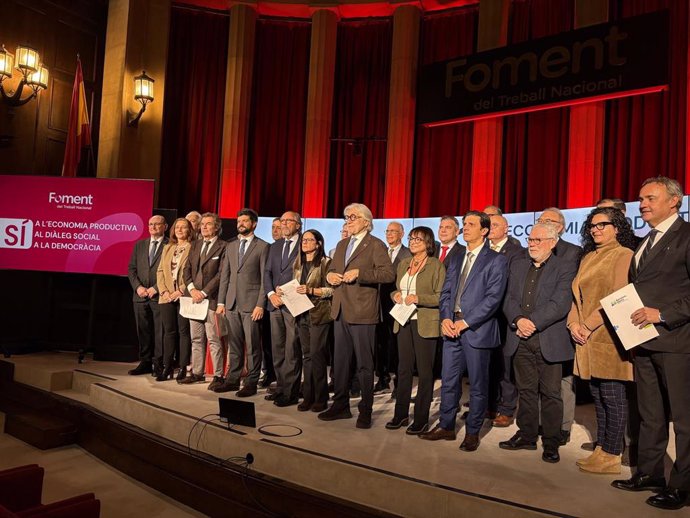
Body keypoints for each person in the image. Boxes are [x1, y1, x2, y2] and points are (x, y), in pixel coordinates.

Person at [612, 177, 690, 510]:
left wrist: (663, 314)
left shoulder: (687, 237)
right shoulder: (645, 240)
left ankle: (683, 486)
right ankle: (650, 473)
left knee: (685, 420)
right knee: (650, 415)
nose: (642, 203)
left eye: (650, 198)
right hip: (642, 342)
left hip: (676, 342)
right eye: (640, 198)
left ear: (675, 201)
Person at [420, 211, 507, 452]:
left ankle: (472, 432)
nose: (465, 228)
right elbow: (446, 292)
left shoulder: (495, 259)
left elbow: (493, 299)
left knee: (478, 385)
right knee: (448, 380)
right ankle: (446, 426)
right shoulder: (457, 258)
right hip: (451, 328)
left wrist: (465, 322)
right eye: (465, 224)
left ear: (484, 231)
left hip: (476, 330)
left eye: (471, 224)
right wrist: (446, 318)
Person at [499, 223, 577, 463]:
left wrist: (531, 322)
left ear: (552, 243)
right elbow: (508, 298)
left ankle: (551, 442)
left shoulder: (564, 266)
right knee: (526, 391)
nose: (531, 244)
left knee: (551, 393)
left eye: (537, 240)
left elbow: (560, 303)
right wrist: (518, 320)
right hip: (519, 337)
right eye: (530, 240)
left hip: (548, 340)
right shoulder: (519, 264)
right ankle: (527, 434)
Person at [567, 207, 636, 474]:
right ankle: (602, 448)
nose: (596, 229)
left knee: (613, 396)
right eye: (592, 225)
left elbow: (618, 297)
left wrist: (587, 325)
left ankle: (613, 454)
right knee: (597, 394)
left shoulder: (623, 255)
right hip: (585, 338)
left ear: (617, 227)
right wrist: (573, 323)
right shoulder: (588, 257)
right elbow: (577, 298)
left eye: (602, 224)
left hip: (608, 337)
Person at [318, 203, 395, 429]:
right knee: (340, 363)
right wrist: (331, 275)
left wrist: (361, 274)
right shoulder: (342, 244)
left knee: (364, 365)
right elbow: (332, 269)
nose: (348, 221)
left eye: (352, 217)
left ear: (365, 221)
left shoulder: (376, 245)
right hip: (341, 310)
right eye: (346, 217)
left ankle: (366, 410)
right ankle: (340, 405)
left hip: (363, 313)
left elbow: (388, 273)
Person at [386, 226, 445, 435]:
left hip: (425, 323)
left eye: (418, 239)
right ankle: (400, 414)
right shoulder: (403, 264)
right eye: (411, 239)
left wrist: (418, 299)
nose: (412, 242)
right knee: (403, 369)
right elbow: (396, 289)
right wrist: (395, 296)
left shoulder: (436, 266)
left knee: (425, 372)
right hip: (403, 321)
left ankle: (421, 419)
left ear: (428, 243)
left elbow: (440, 297)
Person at [537, 207, 583, 445]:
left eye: (550, 221)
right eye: (542, 219)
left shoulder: (573, 252)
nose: (544, 222)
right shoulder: (532, 249)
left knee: (563, 380)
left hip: (560, 323)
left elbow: (570, 291)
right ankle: (541, 422)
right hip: (533, 323)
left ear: (562, 227)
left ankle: (562, 426)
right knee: (537, 378)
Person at [215, 208, 268, 396]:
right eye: (239, 221)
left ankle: (251, 382)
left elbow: (265, 280)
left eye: (245, 221)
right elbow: (225, 277)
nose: (241, 224)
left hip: (251, 304)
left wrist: (260, 304)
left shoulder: (263, 247)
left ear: (254, 224)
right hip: (231, 304)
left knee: (253, 346)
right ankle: (232, 380)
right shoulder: (230, 246)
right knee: (235, 345)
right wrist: (221, 302)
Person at [179, 213, 226, 388]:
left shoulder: (223, 247)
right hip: (193, 299)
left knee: (213, 339)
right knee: (196, 338)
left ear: (216, 227)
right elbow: (186, 269)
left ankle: (218, 375)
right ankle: (197, 373)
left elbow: (221, 275)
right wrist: (191, 289)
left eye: (208, 224)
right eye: (203, 224)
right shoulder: (195, 244)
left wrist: (204, 293)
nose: (204, 227)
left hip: (211, 299)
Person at [488, 214, 525, 427]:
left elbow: (511, 284)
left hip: (504, 316)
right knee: (488, 365)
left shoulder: (516, 252)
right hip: (484, 317)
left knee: (505, 365)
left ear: (506, 229)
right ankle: (489, 404)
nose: (491, 228)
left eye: (495, 225)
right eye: (489, 225)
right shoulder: (484, 250)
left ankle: (507, 409)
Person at [264, 211, 302, 406]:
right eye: (282, 220)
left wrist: (285, 292)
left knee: (291, 350)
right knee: (277, 349)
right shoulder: (275, 245)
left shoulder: (306, 243)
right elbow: (267, 272)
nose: (284, 224)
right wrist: (271, 294)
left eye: (289, 221)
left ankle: (291, 392)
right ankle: (280, 387)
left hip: (293, 304)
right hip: (275, 304)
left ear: (298, 224)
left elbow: (307, 273)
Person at [293, 229, 333, 412]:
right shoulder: (298, 263)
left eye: (309, 240)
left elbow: (331, 290)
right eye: (304, 240)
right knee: (306, 356)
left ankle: (321, 398)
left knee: (317, 356)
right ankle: (307, 397)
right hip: (301, 314)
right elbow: (295, 287)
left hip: (319, 314)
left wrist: (310, 290)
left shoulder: (326, 263)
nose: (305, 243)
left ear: (318, 244)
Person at [127, 215, 168, 376]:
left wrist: (156, 288)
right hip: (140, 296)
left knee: (160, 332)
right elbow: (131, 269)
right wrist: (138, 287)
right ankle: (145, 362)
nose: (153, 227)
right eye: (150, 224)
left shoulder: (169, 245)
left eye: (157, 224)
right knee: (143, 330)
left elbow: (170, 272)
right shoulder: (140, 245)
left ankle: (159, 364)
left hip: (159, 295)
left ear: (165, 226)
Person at [156, 218, 195, 382]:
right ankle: (167, 367)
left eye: (183, 227)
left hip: (183, 295)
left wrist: (180, 290)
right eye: (177, 227)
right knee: (168, 332)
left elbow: (192, 272)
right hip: (166, 296)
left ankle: (183, 368)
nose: (179, 230)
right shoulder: (168, 247)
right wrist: (164, 291)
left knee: (184, 332)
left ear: (189, 230)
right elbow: (159, 271)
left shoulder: (193, 247)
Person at [375, 221, 411, 395]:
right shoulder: (379, 252)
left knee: (397, 346)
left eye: (393, 231)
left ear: (402, 234)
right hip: (377, 305)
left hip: (398, 306)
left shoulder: (408, 254)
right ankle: (382, 378)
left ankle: (399, 382)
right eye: (387, 231)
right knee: (379, 344)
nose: (389, 234)